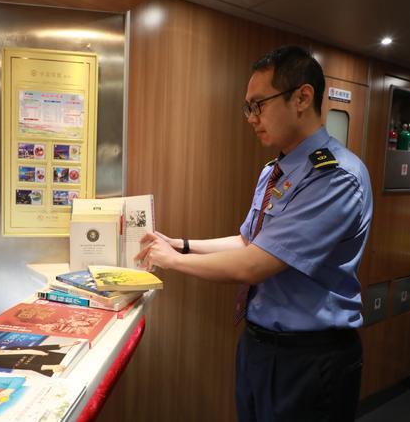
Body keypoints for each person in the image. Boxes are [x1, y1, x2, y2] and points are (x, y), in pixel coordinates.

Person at [136, 45, 373, 422]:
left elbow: (254, 265)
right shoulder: (274, 171)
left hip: (310, 356)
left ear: (302, 98)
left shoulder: (336, 178)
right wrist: (180, 244)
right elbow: (249, 241)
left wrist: (172, 261)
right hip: (261, 345)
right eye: (247, 108)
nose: (251, 118)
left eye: (259, 104)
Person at [0, 341, 80, 377]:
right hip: (50, 367)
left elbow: (36, 348)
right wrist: (51, 367)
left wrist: (65, 344)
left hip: (54, 356)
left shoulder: (11, 348)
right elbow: (25, 366)